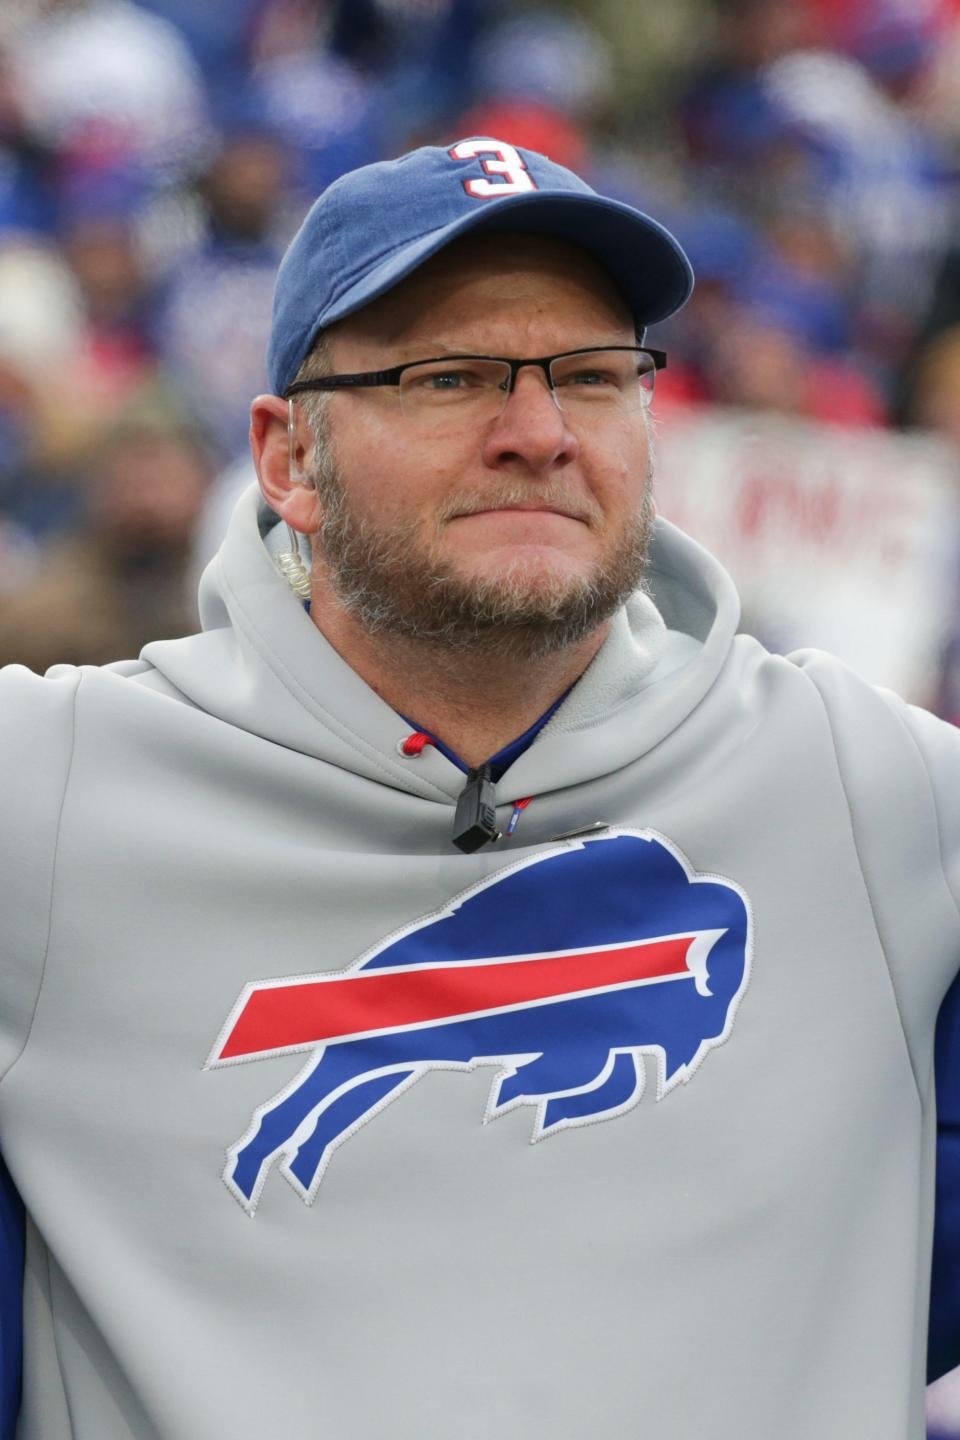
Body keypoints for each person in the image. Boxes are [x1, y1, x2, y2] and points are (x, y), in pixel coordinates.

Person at [0, 138, 958, 1440]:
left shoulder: (872, 786)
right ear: (288, 459)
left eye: (592, 375)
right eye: (448, 377)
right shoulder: (52, 790)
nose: (539, 433)